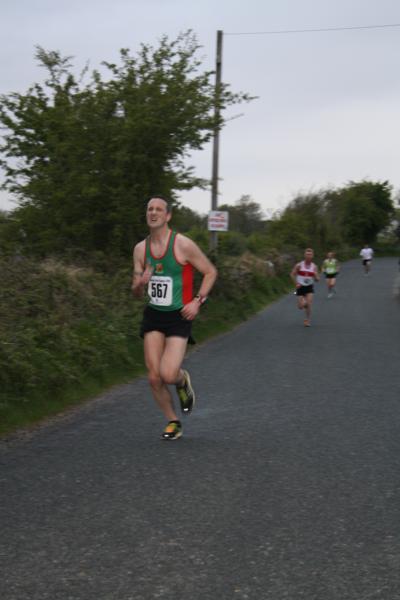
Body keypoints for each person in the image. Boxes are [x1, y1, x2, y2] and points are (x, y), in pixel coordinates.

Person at [132, 196, 218, 440]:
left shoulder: (182, 245)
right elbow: (136, 291)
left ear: (168, 216)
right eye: (149, 209)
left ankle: (182, 381)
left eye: (159, 209)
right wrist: (140, 283)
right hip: (153, 315)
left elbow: (211, 272)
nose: (153, 212)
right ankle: (173, 421)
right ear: (146, 215)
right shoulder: (140, 249)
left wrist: (198, 301)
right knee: (153, 376)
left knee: (169, 374)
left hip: (179, 315)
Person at [291, 248, 320, 327]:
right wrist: (296, 283)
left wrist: (316, 276)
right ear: (304, 255)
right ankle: (301, 303)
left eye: (310, 254)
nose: (308, 256)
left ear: (312, 256)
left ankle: (307, 320)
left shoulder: (314, 266)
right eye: (307, 254)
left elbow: (317, 279)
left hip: (309, 287)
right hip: (300, 287)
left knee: (309, 303)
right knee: (300, 306)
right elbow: (292, 274)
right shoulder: (299, 265)